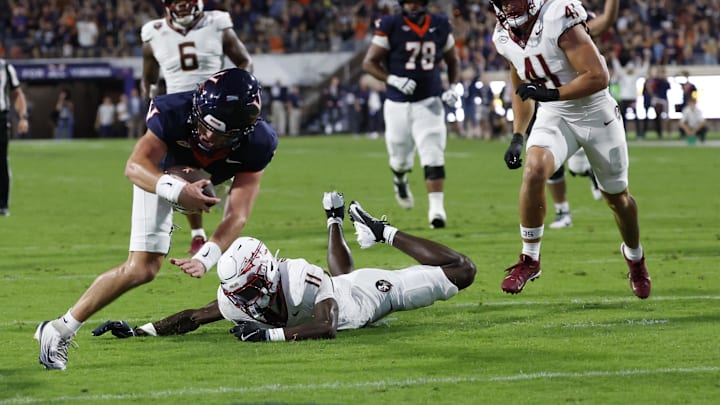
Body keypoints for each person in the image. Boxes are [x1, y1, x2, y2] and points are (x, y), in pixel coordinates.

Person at [34, 68, 278, 370]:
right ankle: (58, 330)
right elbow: (134, 166)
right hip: (158, 175)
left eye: (217, 130)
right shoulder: (175, 110)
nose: (204, 133)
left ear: (241, 131)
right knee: (142, 268)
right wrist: (177, 191)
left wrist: (206, 257)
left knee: (150, 262)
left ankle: (58, 329)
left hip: (201, 183)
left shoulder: (259, 143)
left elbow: (238, 212)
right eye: (203, 121)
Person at [91, 191, 476, 342]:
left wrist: (269, 337)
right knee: (340, 277)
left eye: (244, 287)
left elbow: (326, 327)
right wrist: (140, 330)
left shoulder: (297, 276)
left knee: (463, 271)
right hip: (341, 285)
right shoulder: (236, 296)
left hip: (366, 298)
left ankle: (383, 231)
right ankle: (334, 220)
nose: (239, 298)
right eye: (236, 290)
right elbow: (193, 317)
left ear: (262, 274)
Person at [491, 0, 651, 298]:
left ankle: (635, 257)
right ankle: (529, 258)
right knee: (534, 169)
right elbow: (521, 85)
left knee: (618, 199)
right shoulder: (502, 35)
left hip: (596, 114)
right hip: (556, 113)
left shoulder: (557, 14)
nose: (508, 5)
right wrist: (517, 134)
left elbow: (597, 76)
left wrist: (551, 93)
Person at [141, 0, 253, 255]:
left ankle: (228, 233)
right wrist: (150, 115)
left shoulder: (217, 23)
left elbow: (244, 62)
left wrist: (240, 96)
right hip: (181, 119)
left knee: (231, 174)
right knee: (185, 174)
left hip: (219, 114)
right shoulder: (153, 32)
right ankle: (199, 234)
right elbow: (149, 80)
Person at [505, 0, 617, 229]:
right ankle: (562, 210)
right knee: (543, 162)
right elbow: (518, 76)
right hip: (550, 103)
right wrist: (518, 134)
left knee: (579, 168)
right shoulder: (544, 25)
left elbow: (605, 21)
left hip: (585, 104)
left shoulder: (572, 24)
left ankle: (594, 175)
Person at [362, 0, 459, 229]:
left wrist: (453, 87)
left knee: (433, 154)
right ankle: (400, 179)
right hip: (397, 103)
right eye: (409, 2)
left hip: (430, 100)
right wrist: (392, 79)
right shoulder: (390, 24)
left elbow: (452, 60)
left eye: (417, 1)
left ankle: (437, 211)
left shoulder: (440, 24)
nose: (413, 5)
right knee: (400, 158)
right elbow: (369, 62)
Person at [0, 57, 29, 217]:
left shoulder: (5, 68)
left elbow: (17, 93)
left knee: (1, 161)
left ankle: (2, 205)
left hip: (1, 118)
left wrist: (23, 117)